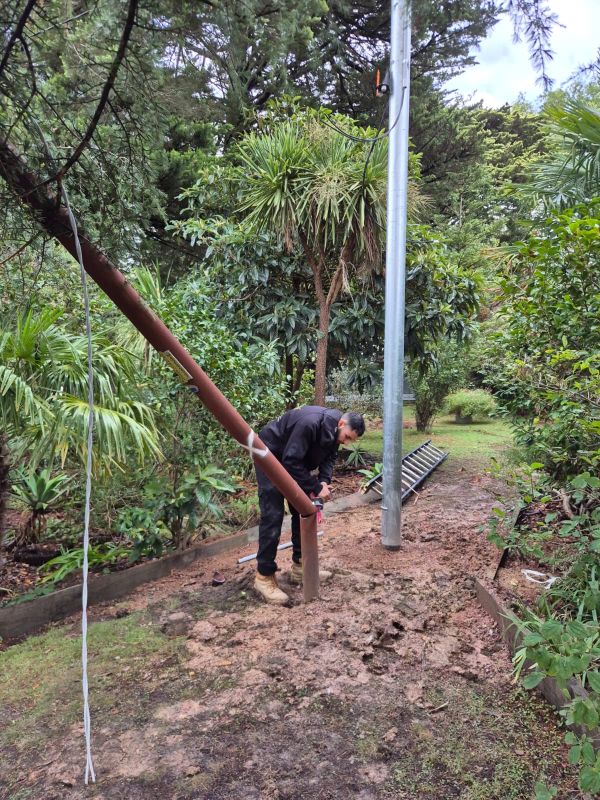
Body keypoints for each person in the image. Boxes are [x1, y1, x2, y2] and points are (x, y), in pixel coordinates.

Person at [253, 405, 366, 605]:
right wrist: (313, 485)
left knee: (303, 509)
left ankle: (299, 568)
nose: (346, 442)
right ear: (341, 423)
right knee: (273, 515)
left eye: (350, 440)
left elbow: (329, 457)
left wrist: (323, 481)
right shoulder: (310, 423)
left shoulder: (335, 432)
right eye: (347, 437)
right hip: (269, 453)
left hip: (293, 458)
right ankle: (264, 577)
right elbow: (290, 460)